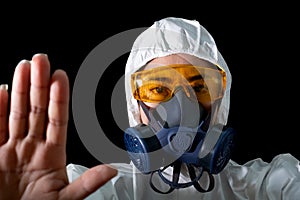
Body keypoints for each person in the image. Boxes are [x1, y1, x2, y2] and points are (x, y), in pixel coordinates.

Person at [1, 17, 299, 199]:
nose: (185, 106)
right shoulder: (104, 189)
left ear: (222, 99)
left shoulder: (268, 187)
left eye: (199, 87)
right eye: (158, 88)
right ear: (135, 104)